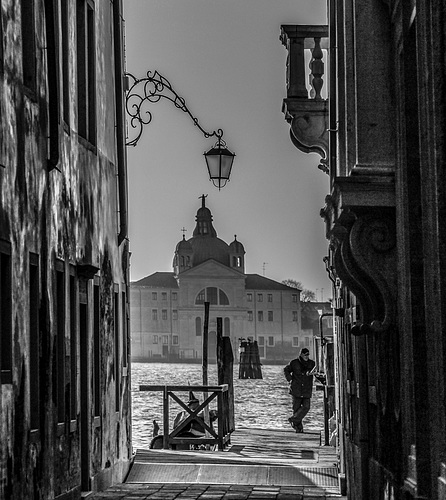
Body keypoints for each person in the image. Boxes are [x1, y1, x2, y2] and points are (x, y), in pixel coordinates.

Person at [284, 347, 316, 433]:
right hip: (296, 389)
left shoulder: (312, 364)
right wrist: (290, 379)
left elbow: (317, 372)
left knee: (306, 407)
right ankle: (299, 428)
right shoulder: (294, 363)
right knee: (296, 409)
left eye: (308, 355)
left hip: (306, 390)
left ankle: (293, 420)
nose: (307, 356)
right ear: (301, 354)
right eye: (305, 355)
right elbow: (286, 370)